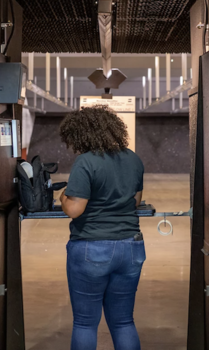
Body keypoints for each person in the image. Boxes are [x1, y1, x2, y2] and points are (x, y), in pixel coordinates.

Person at [58, 106, 146, 350]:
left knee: (85, 323)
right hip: (130, 247)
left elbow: (75, 208)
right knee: (123, 321)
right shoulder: (133, 158)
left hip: (91, 247)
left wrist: (64, 196)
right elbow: (135, 201)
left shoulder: (85, 162)